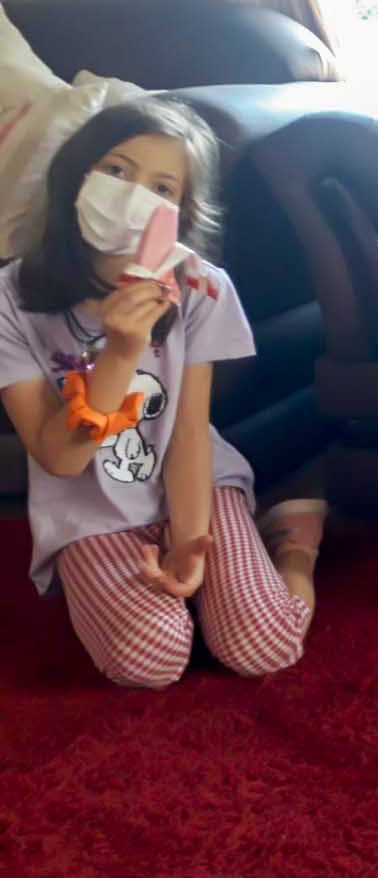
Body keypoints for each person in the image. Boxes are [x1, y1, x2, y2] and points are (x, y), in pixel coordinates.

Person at [0, 98, 322, 688]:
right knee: (150, 659)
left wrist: (192, 542)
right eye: (116, 171)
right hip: (91, 508)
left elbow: (189, 432)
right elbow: (60, 458)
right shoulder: (10, 299)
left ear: (180, 212)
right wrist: (121, 354)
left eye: (162, 187)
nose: (133, 196)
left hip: (193, 484)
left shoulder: (199, 287)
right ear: (76, 174)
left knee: (263, 646)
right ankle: (164, 602)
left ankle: (293, 547)